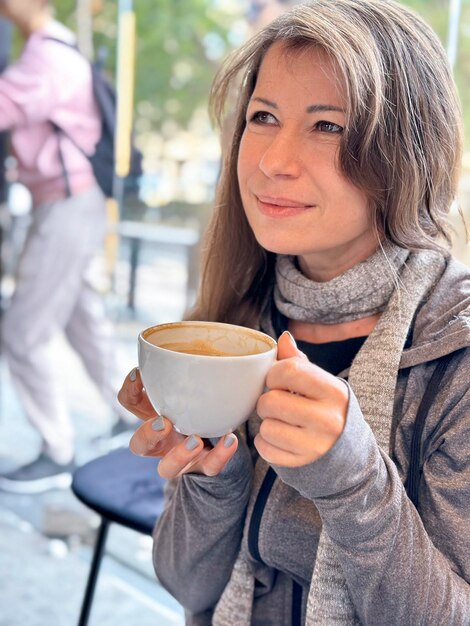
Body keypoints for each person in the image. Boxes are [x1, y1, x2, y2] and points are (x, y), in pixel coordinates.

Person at [118, 1, 470, 624]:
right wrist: (212, 476)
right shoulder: (233, 324)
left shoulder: (454, 354)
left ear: (408, 149)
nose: (273, 161)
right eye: (264, 117)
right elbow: (187, 588)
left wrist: (355, 480)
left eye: (327, 126)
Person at [0, 0, 132, 493]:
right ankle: (130, 418)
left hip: (65, 203)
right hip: (70, 201)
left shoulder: (47, 55)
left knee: (23, 331)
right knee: (82, 318)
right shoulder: (54, 48)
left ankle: (57, 449)